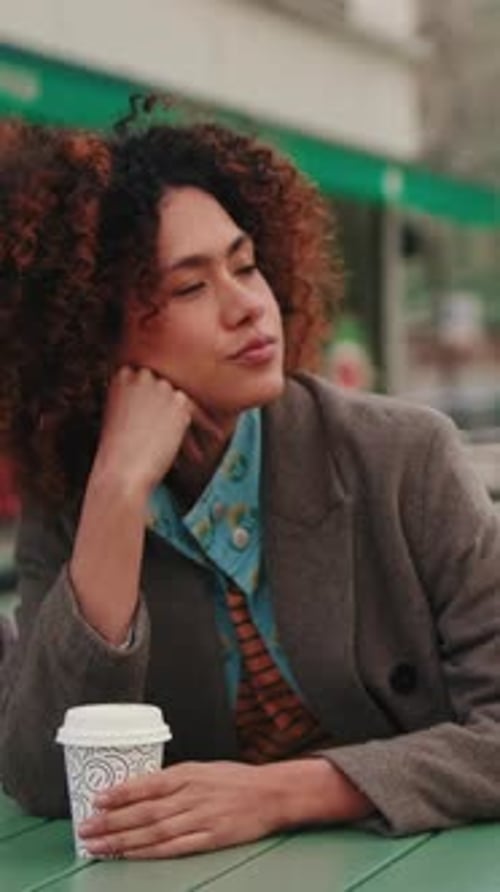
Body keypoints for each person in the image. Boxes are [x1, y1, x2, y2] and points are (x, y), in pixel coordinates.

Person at [1, 99, 500, 861]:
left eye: (245, 264)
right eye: (191, 287)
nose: (249, 307)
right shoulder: (75, 504)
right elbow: (43, 779)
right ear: (91, 332)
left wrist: (284, 793)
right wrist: (115, 495)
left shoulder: (403, 458)